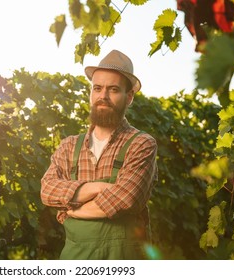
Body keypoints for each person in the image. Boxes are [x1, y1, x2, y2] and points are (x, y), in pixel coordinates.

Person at [40, 50, 158, 260]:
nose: (103, 96)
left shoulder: (141, 144)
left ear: (129, 97)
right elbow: (47, 191)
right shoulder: (69, 146)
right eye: (97, 88)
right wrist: (99, 188)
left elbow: (126, 199)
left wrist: (72, 209)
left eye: (113, 89)